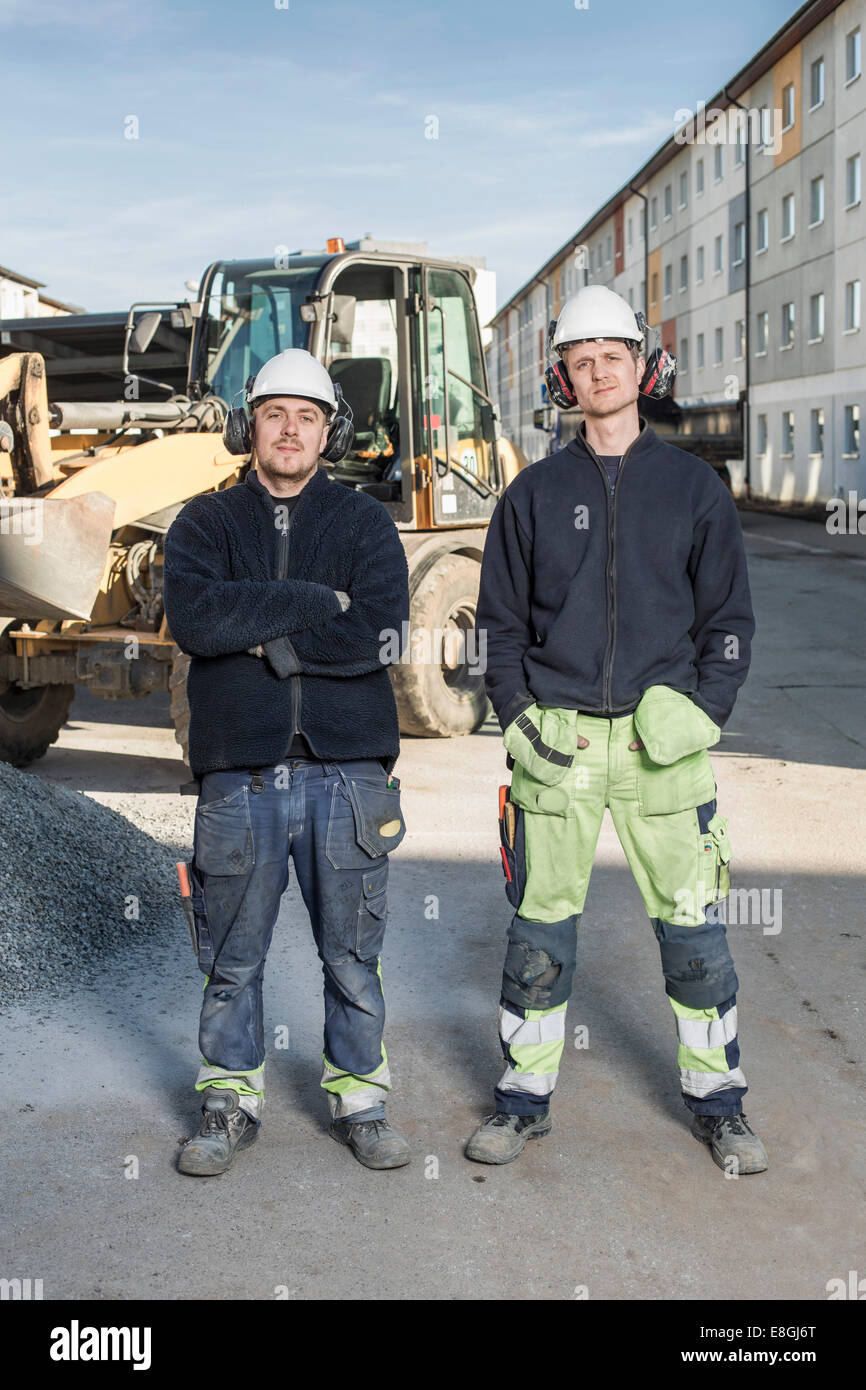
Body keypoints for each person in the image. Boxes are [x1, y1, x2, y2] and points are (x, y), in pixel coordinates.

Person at [466, 286, 767, 1175]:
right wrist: (519, 719)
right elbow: (498, 628)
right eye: (581, 361)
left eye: (614, 357)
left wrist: (704, 713)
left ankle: (721, 1102)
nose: (598, 372)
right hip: (558, 748)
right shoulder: (532, 494)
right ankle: (523, 1101)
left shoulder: (693, 488)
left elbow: (731, 621)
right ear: (564, 378)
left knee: (695, 934)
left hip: (660, 748)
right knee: (538, 935)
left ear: (642, 367)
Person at [163, 348, 411, 1175]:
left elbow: (380, 631)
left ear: (328, 430)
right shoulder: (204, 524)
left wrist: (260, 634)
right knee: (232, 956)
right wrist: (313, 604)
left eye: (307, 416)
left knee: (352, 953)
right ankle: (229, 1100)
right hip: (239, 772)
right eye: (276, 414)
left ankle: (361, 1099)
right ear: (250, 426)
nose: (291, 429)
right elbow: (198, 622)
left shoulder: (364, 524)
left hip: (349, 775)